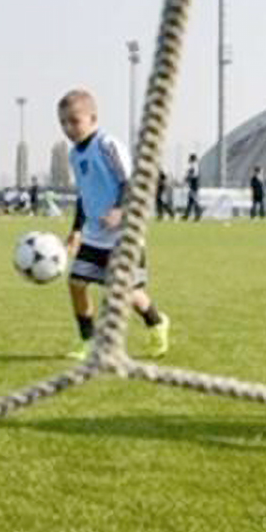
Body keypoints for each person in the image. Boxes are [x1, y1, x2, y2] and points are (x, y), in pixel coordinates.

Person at [56, 90, 170, 360]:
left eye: (74, 121)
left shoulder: (108, 145)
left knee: (128, 293)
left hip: (123, 234)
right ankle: (88, 340)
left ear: (92, 118)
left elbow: (131, 181)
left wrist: (121, 209)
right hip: (95, 235)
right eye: (63, 123)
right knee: (76, 283)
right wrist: (76, 230)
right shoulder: (74, 155)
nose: (68, 128)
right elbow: (84, 195)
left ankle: (156, 322)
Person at [183, 153, 203, 220]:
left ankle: (198, 213)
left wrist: (187, 177)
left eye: (190, 158)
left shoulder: (194, 165)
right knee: (190, 200)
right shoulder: (193, 165)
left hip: (194, 184)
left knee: (194, 199)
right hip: (193, 184)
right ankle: (186, 216)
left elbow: (194, 175)